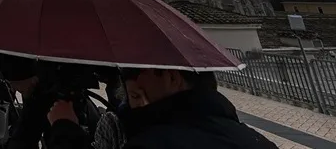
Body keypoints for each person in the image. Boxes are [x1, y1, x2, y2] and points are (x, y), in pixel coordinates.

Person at [45, 69, 276, 149]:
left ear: (172, 77)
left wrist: (65, 128)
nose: (132, 104)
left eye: (136, 93)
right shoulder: (256, 140)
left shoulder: (153, 144)